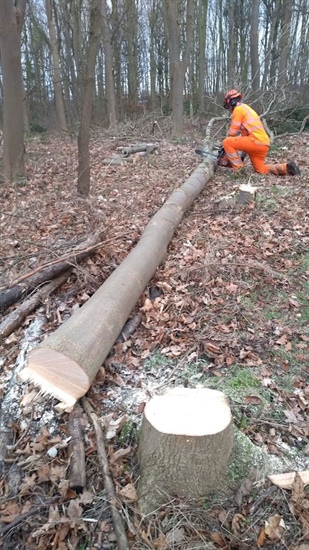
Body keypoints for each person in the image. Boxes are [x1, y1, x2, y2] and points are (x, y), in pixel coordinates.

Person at [222, 89, 301, 176]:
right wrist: (241, 157)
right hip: (264, 143)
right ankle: (286, 168)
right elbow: (245, 136)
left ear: (232, 102)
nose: (228, 109)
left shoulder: (238, 110)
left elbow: (232, 133)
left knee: (227, 142)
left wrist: (225, 150)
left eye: (228, 106)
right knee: (260, 169)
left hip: (255, 141)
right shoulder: (247, 109)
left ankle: (240, 171)